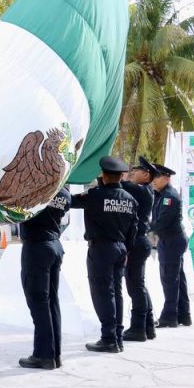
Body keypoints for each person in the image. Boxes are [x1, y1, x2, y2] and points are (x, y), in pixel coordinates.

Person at [69, 156, 138, 353]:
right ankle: (117, 337)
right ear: (121, 176)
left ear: (104, 175)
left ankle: (108, 338)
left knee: (102, 293)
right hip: (121, 249)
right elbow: (133, 230)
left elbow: (72, 202)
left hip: (101, 250)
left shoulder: (95, 195)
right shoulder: (130, 200)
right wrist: (126, 250)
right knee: (116, 292)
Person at [17, 186, 71, 370]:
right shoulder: (64, 193)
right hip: (54, 244)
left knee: (39, 303)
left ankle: (44, 355)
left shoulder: (32, 190)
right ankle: (55, 354)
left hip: (37, 247)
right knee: (52, 302)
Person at [121, 157, 158, 342]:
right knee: (139, 286)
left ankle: (138, 328)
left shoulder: (141, 190)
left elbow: (120, 184)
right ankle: (148, 326)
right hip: (140, 241)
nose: (132, 173)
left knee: (135, 286)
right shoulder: (145, 190)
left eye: (136, 170)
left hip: (137, 242)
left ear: (146, 174)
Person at [152, 164, 191, 328]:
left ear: (166, 178)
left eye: (157, 177)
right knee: (177, 279)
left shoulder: (169, 197)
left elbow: (161, 222)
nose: (153, 181)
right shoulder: (162, 194)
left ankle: (169, 317)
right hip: (170, 240)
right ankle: (184, 315)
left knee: (170, 279)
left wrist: (143, 228)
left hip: (172, 240)